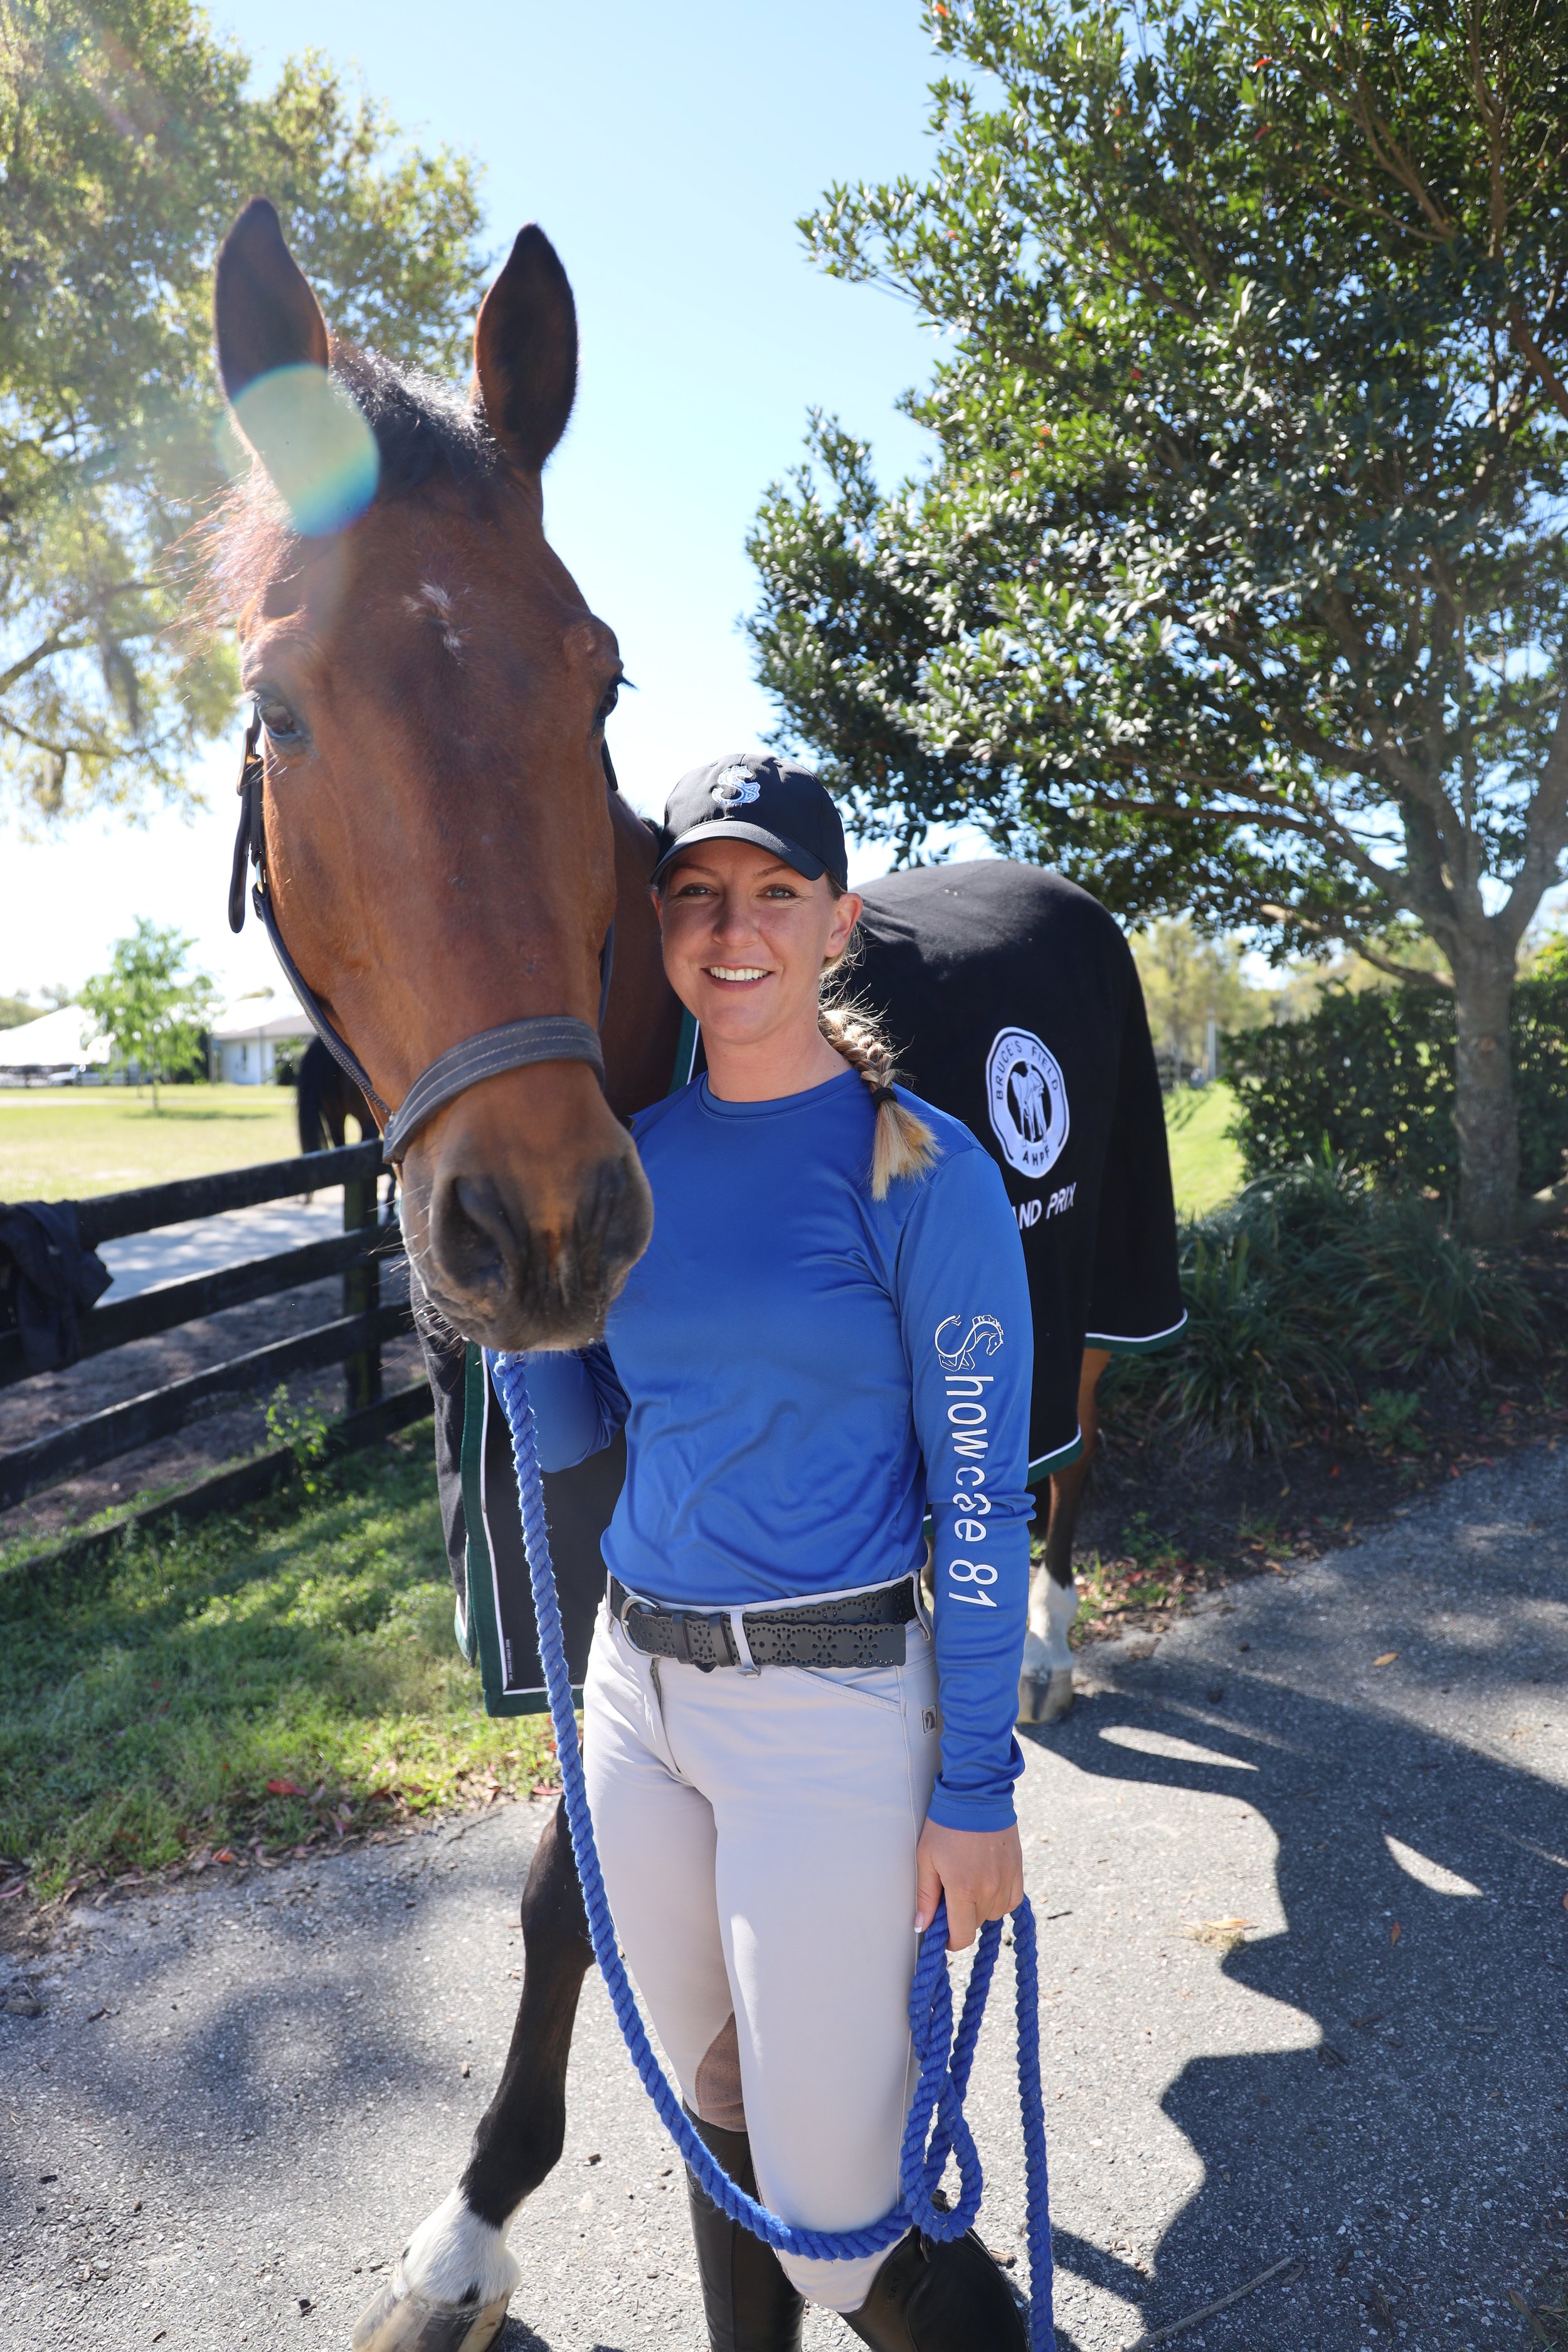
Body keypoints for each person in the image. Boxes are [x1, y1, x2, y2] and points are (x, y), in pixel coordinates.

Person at [519, 751, 1035, 2351]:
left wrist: (976, 1787)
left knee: (831, 2226)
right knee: (714, 2101)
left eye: (773, 895)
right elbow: (579, 1426)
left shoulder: (925, 1170)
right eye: (696, 895)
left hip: (830, 1714)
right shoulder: (629, 1157)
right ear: (663, 927)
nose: (731, 929)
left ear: (836, 923)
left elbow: (980, 1499)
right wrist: (500, 1293)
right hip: (636, 1708)